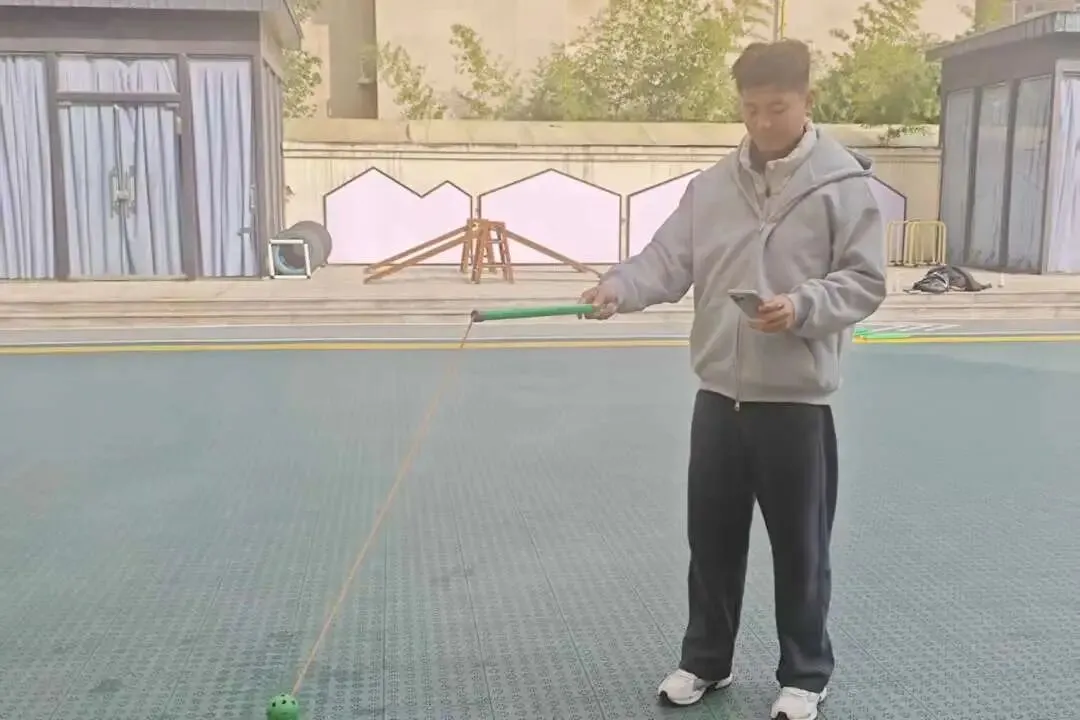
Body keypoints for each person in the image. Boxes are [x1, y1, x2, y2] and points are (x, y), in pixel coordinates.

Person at [578, 39, 887, 720]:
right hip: (719, 400)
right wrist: (619, 286)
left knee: (801, 550)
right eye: (750, 109)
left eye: (777, 108)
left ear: (807, 101)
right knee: (711, 544)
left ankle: (805, 674)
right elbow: (666, 259)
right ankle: (705, 662)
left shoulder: (842, 185)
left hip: (796, 406)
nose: (763, 123)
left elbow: (865, 281)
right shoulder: (712, 187)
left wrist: (802, 306)